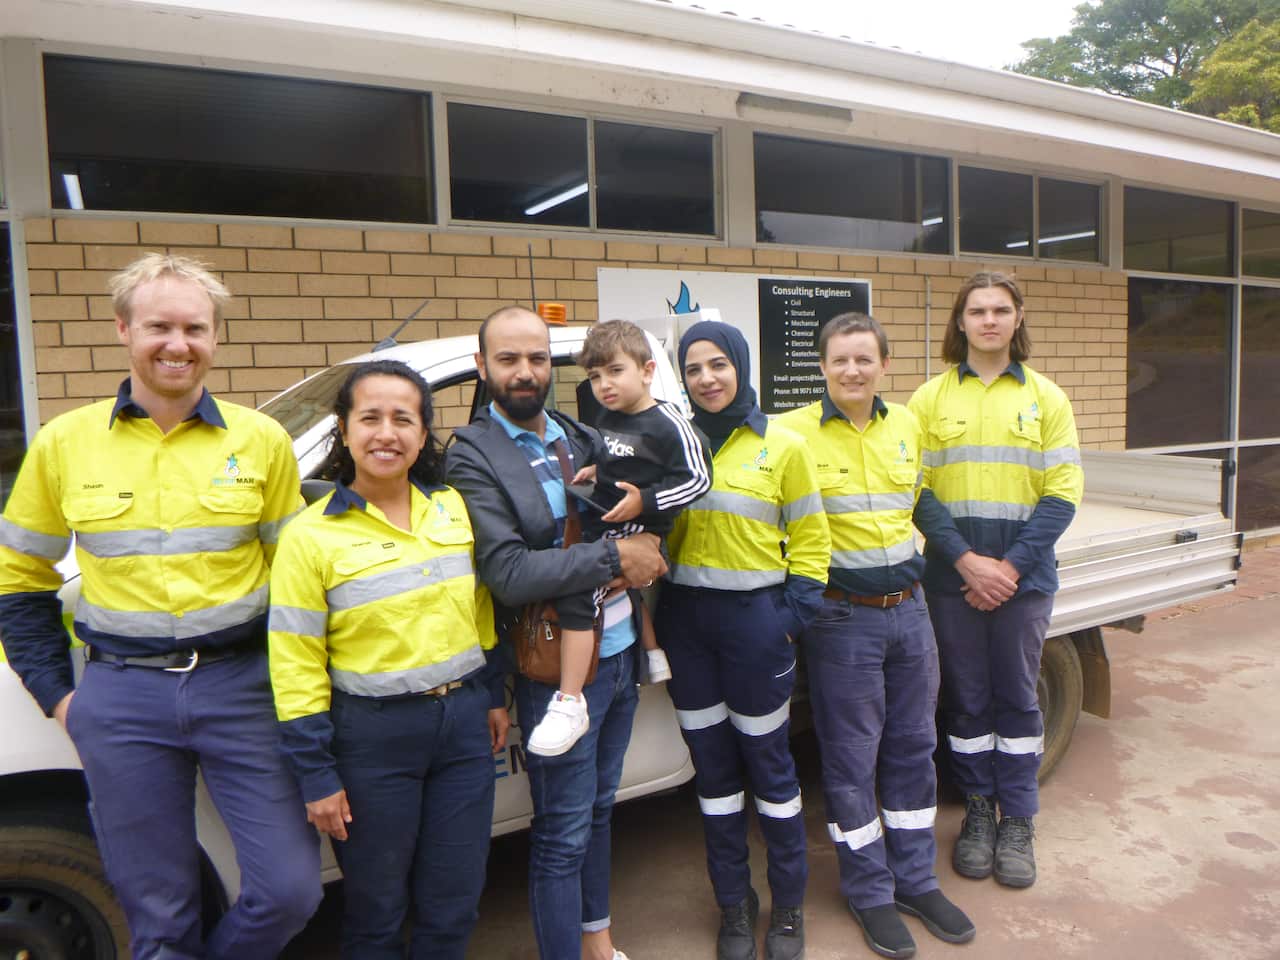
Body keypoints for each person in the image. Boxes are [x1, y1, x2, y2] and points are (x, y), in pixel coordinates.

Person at [0, 253, 321, 959]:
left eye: (195, 328)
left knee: (291, 890)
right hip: (123, 697)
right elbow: (20, 580)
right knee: (159, 913)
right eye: (160, 327)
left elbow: (297, 580)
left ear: (214, 337)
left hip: (243, 688)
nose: (178, 344)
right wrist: (62, 699)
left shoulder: (259, 441)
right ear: (123, 329)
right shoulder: (64, 443)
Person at [445, 305, 667, 960]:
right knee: (562, 833)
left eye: (537, 358)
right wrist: (616, 559)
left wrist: (650, 533)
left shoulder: (576, 431)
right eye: (508, 359)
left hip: (619, 654)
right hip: (557, 677)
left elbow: (636, 496)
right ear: (482, 368)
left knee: (600, 813)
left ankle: (596, 940)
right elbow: (509, 573)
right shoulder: (472, 458)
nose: (525, 372)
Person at [268, 360, 508, 959]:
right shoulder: (310, 535)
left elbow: (479, 606)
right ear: (343, 432)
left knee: (454, 901)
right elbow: (294, 661)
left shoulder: (452, 508)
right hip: (371, 741)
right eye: (369, 417)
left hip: (462, 731)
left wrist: (493, 692)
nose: (386, 433)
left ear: (424, 434)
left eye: (404, 419)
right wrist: (316, 772)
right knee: (376, 911)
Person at [778, 313, 975, 959]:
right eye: (840, 360)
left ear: (884, 365)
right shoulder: (792, 435)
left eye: (864, 359)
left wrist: (966, 557)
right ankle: (869, 891)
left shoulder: (907, 426)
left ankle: (916, 880)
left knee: (916, 747)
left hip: (910, 611)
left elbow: (920, 502)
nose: (852, 371)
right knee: (851, 759)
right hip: (842, 620)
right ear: (823, 366)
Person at [656, 320, 831, 960]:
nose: (707, 379)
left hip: (758, 626)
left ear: (741, 366)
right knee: (713, 774)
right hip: (688, 628)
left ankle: (788, 906)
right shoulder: (673, 446)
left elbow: (813, 544)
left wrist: (788, 619)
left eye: (718, 365)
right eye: (694, 368)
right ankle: (734, 903)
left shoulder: (781, 445)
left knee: (770, 769)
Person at [909, 271, 1083, 890]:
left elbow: (1063, 493)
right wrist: (964, 561)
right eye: (977, 310)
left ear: (1018, 318)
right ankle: (978, 812)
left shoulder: (1047, 399)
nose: (988, 320)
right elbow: (917, 490)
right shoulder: (930, 399)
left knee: (1017, 697)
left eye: (1000, 310)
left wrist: (1008, 568)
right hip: (952, 579)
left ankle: (1019, 819)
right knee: (966, 699)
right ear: (960, 322)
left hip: (1023, 581)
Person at [525, 318, 712, 757]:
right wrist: (594, 472)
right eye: (594, 376)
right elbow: (610, 460)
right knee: (614, 590)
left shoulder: (669, 422)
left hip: (638, 526)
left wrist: (645, 502)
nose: (604, 384)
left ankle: (569, 701)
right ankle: (652, 654)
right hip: (604, 517)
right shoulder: (606, 416)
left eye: (615, 371)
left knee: (580, 592)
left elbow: (699, 480)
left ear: (647, 371)